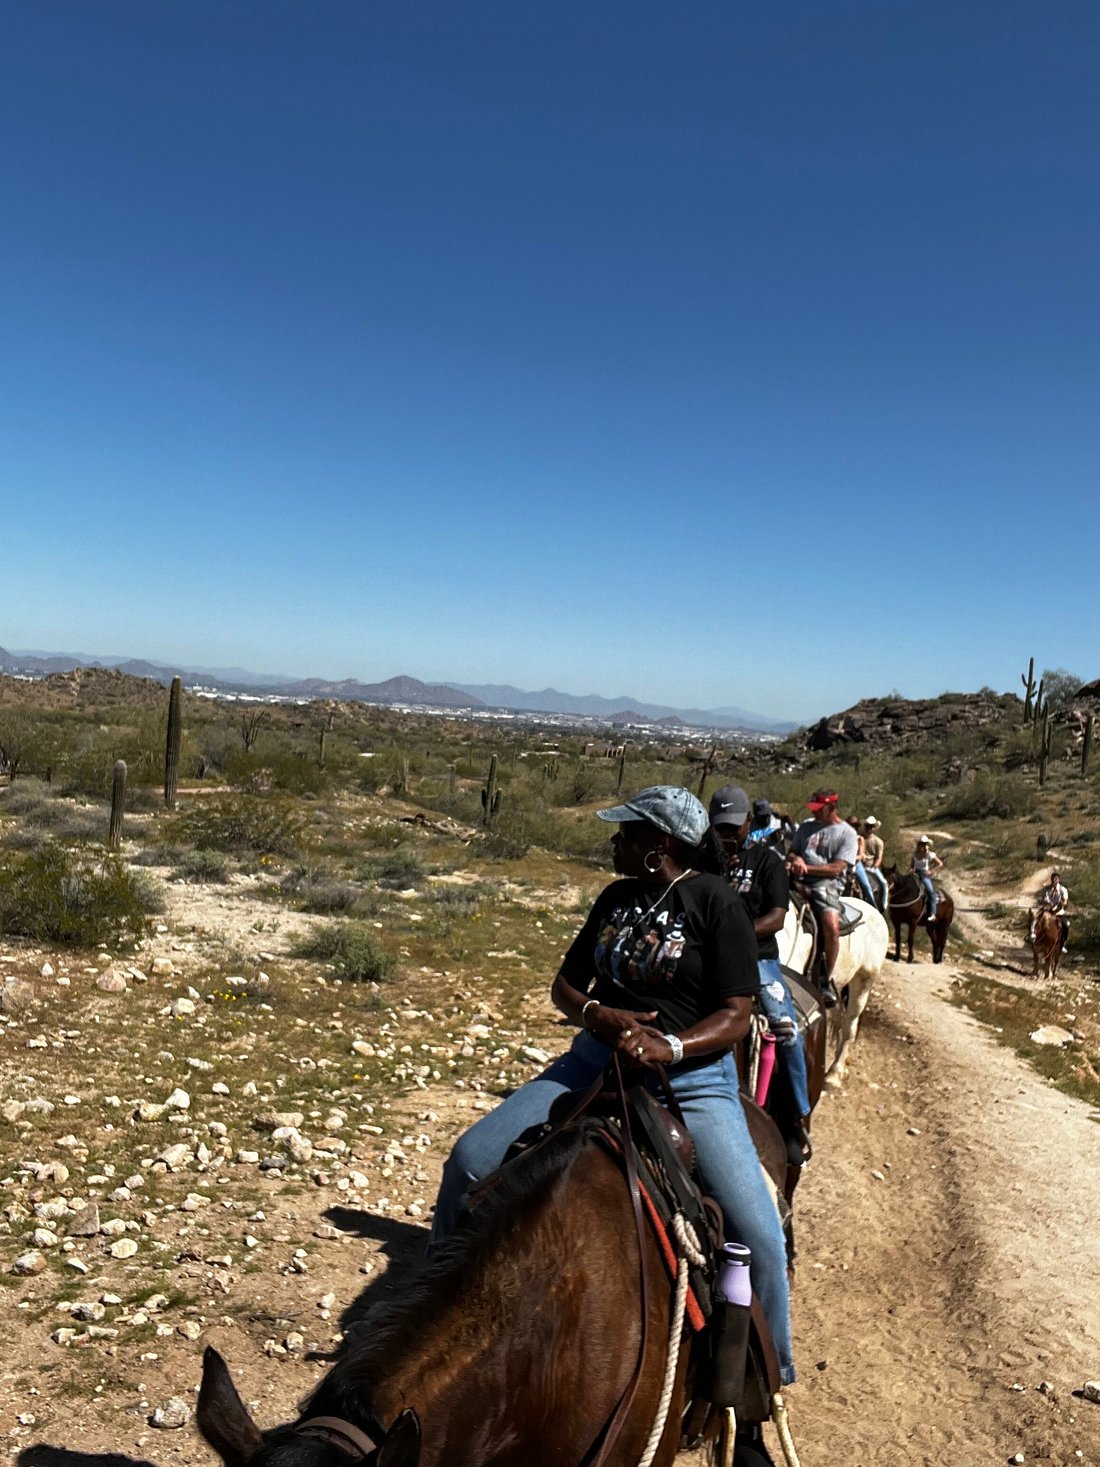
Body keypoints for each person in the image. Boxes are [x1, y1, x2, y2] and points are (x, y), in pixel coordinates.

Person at [429, 785, 796, 1386]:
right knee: (470, 1161)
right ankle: (435, 1306)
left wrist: (671, 1045)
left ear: (660, 843)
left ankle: (769, 1375)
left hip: (692, 1080)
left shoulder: (716, 901)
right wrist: (596, 1014)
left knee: (759, 1236)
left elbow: (736, 1015)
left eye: (626, 832)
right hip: (594, 1063)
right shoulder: (615, 898)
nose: (614, 841)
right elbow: (565, 988)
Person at [709, 784, 812, 1162]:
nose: (726, 834)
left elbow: (776, 918)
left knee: (786, 1030)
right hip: (708, 957)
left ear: (748, 823)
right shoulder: (704, 862)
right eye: (719, 826)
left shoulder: (767, 861)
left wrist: (732, 933)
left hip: (757, 959)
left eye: (733, 827)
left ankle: (796, 1116)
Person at [787, 789, 859, 1007]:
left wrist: (806, 868)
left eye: (819, 809)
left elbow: (836, 868)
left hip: (826, 884)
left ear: (831, 807)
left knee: (831, 926)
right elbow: (792, 851)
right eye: (814, 809)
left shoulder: (847, 834)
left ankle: (825, 978)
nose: (815, 813)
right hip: (797, 876)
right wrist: (796, 859)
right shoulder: (806, 827)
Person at [1032, 869, 1069, 950]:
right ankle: (1032, 936)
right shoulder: (1046, 889)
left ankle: (1063, 943)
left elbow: (1065, 901)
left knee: (1065, 925)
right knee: (1035, 919)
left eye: (1056, 879)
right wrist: (1049, 904)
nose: (1054, 880)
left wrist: (1060, 904)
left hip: (1058, 911)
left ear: (1059, 880)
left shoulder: (1063, 889)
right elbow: (1044, 899)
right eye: (1052, 878)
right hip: (1047, 910)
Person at [910, 837, 944, 920]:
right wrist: (911, 870)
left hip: (924, 874)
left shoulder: (930, 854)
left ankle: (932, 913)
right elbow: (912, 865)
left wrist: (931, 871)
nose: (922, 846)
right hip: (915, 874)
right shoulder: (914, 854)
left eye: (924, 844)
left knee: (930, 891)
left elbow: (940, 863)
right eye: (921, 844)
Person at [861, 817, 890, 912]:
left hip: (872, 866)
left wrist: (874, 867)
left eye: (871, 826)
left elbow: (879, 857)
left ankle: (883, 904)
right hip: (860, 865)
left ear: (874, 828)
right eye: (867, 826)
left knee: (884, 883)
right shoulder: (860, 838)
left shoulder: (878, 841)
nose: (869, 828)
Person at [847, 817, 876, 906]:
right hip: (844, 865)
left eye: (854, 826)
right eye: (850, 826)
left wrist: (850, 858)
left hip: (856, 864)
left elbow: (861, 855)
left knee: (866, 885)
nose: (852, 828)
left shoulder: (860, 839)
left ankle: (874, 906)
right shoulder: (842, 839)